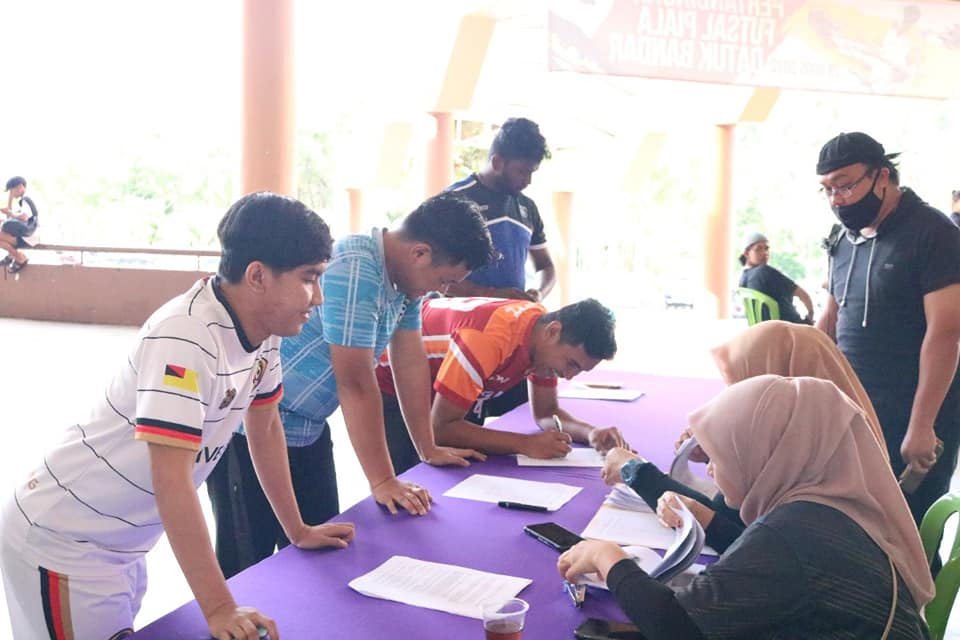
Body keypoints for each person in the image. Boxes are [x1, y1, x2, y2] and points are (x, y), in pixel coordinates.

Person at [0, 192, 355, 640]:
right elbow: (172, 481)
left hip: (124, 543)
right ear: (258, 276)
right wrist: (220, 607)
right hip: (67, 541)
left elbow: (264, 428)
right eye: (309, 278)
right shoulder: (186, 340)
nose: (318, 297)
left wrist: (297, 529)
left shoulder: (265, 330)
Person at [207, 193, 497, 578]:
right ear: (420, 254)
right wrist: (382, 479)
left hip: (307, 428)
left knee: (324, 549)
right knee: (249, 566)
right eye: (443, 280)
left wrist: (426, 446)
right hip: (247, 433)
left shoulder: (404, 283)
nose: (440, 291)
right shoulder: (356, 267)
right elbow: (357, 383)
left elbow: (408, 359)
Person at [560, 375, 933, 639]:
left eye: (721, 456)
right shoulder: (822, 505)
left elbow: (677, 627)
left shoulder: (790, 530)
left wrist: (608, 558)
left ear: (765, 455)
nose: (709, 469)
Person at [601, 320, 888, 553]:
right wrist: (725, 454)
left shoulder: (822, 484)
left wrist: (635, 470)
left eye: (744, 386)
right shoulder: (828, 437)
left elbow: (740, 538)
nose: (737, 399)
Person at [815, 131, 960, 525]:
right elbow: (828, 322)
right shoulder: (842, 240)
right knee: (851, 529)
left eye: (844, 185)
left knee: (906, 532)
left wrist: (922, 424)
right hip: (854, 409)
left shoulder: (935, 234)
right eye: (827, 189)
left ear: (882, 176)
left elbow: (945, 333)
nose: (836, 199)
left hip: (915, 412)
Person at [376, 296, 626, 474]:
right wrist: (525, 444)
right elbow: (441, 429)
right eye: (571, 364)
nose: (568, 376)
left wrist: (590, 432)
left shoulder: (540, 336)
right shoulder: (490, 338)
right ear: (553, 331)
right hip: (392, 382)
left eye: (579, 370)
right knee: (413, 483)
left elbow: (546, 412)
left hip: (438, 382)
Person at [443, 117, 558, 420]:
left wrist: (537, 293)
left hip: (513, 341)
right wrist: (493, 294)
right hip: (462, 340)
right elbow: (434, 279)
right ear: (497, 161)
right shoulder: (454, 201)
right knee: (461, 431)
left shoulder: (528, 208)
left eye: (533, 172)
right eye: (523, 171)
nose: (528, 180)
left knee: (524, 425)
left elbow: (546, 267)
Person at [738, 231, 814, 324]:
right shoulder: (765, 272)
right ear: (746, 253)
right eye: (758, 249)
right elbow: (803, 295)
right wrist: (810, 314)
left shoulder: (743, 278)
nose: (765, 253)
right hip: (788, 329)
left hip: (762, 330)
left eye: (766, 248)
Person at [0, 176, 39, 274]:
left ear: (20, 186)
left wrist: (9, 212)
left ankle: (20, 257)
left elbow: (24, 217)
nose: (11, 193)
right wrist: (10, 202)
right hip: (28, 236)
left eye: (11, 190)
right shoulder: (25, 199)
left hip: (29, 237)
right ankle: (13, 256)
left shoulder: (26, 199)